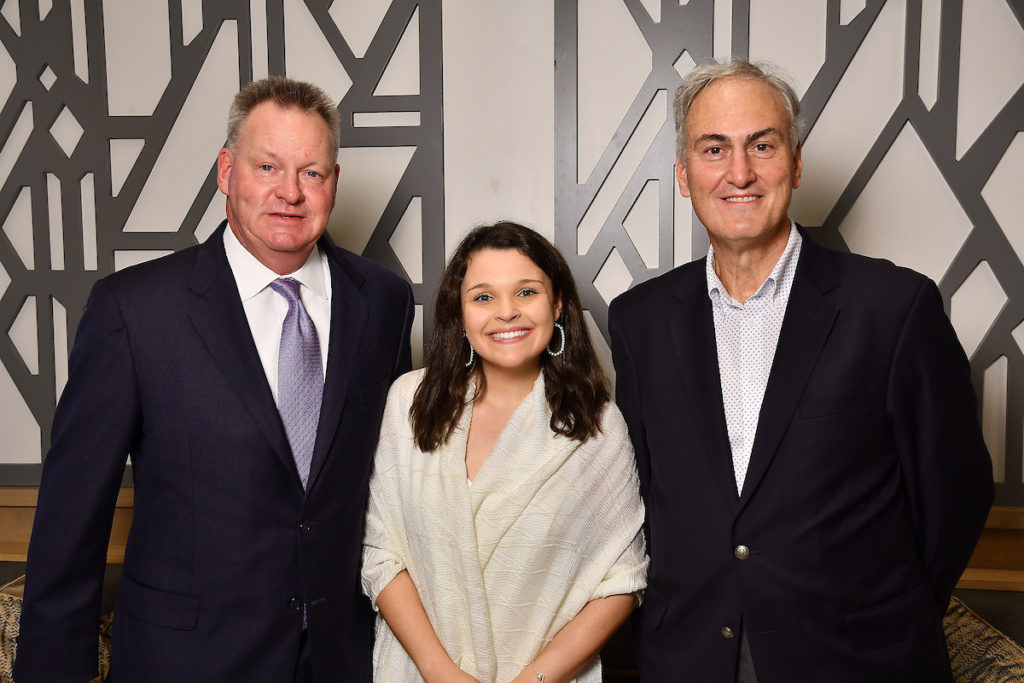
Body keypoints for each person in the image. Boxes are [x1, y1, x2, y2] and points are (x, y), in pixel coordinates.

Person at [14, 76, 414, 682]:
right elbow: (73, 520)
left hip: (343, 660)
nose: (289, 193)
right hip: (188, 662)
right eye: (268, 166)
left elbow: (395, 489)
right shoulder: (135, 311)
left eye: (311, 173)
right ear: (226, 171)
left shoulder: (382, 301)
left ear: (332, 183)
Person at [609, 59, 994, 682]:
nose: (740, 172)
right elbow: (646, 494)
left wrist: (886, 610)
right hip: (690, 655)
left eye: (762, 145)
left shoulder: (894, 307)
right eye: (715, 149)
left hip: (859, 660)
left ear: (794, 162)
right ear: (683, 174)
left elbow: (956, 491)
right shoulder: (639, 320)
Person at [361, 222, 648, 683]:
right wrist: (440, 673)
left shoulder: (597, 425)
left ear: (557, 305)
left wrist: (531, 681)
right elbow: (381, 554)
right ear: (460, 313)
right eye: (483, 297)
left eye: (526, 292)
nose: (507, 313)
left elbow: (621, 581)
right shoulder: (409, 403)